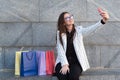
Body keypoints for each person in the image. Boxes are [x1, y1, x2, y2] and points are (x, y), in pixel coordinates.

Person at [55, 8, 109, 80]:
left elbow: (91, 29)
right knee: (63, 76)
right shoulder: (60, 33)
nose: (70, 18)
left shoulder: (79, 31)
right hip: (62, 61)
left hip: (76, 62)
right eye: (67, 18)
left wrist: (103, 21)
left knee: (73, 77)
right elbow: (60, 50)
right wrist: (64, 64)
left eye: (71, 16)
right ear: (63, 22)